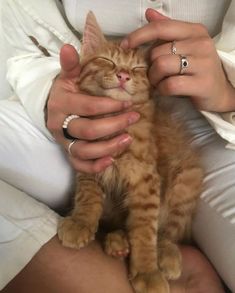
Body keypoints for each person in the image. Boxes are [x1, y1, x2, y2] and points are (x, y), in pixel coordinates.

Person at [0, 0, 234, 292]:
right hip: (73, 102)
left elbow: (144, 186)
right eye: (112, 65)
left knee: (175, 183)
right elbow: (23, 42)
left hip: (217, 126)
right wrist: (48, 89)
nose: (123, 74)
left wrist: (227, 83)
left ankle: (147, 247)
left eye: (132, 71)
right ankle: (110, 273)